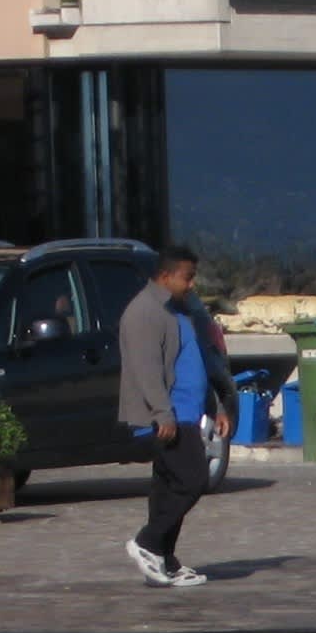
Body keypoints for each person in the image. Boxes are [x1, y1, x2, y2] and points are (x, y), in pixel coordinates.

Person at [117, 245, 214, 587]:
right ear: (165, 275)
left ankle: (165, 560)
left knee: (168, 487)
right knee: (193, 479)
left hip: (186, 412)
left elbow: (197, 360)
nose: (191, 284)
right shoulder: (144, 312)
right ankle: (147, 542)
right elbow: (146, 369)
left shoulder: (179, 311)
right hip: (167, 416)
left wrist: (215, 405)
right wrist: (163, 413)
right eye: (187, 277)